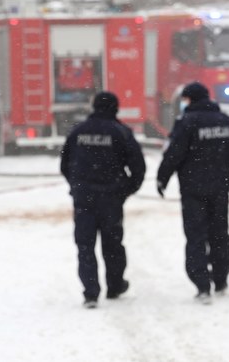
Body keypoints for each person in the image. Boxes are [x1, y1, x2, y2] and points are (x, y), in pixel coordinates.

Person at [155, 82, 229, 304]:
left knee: (196, 237)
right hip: (220, 189)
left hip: (193, 191)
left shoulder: (186, 123)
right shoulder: (225, 121)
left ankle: (202, 284)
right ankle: (221, 279)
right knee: (219, 235)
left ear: (189, 100)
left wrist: (162, 178)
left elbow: (173, 154)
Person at [60, 90, 146, 308]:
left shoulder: (78, 132)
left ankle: (90, 292)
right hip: (111, 199)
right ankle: (115, 285)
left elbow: (65, 164)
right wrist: (126, 190)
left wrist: (77, 186)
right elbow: (138, 167)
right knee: (113, 244)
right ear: (115, 108)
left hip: (84, 199)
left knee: (85, 246)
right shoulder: (121, 132)